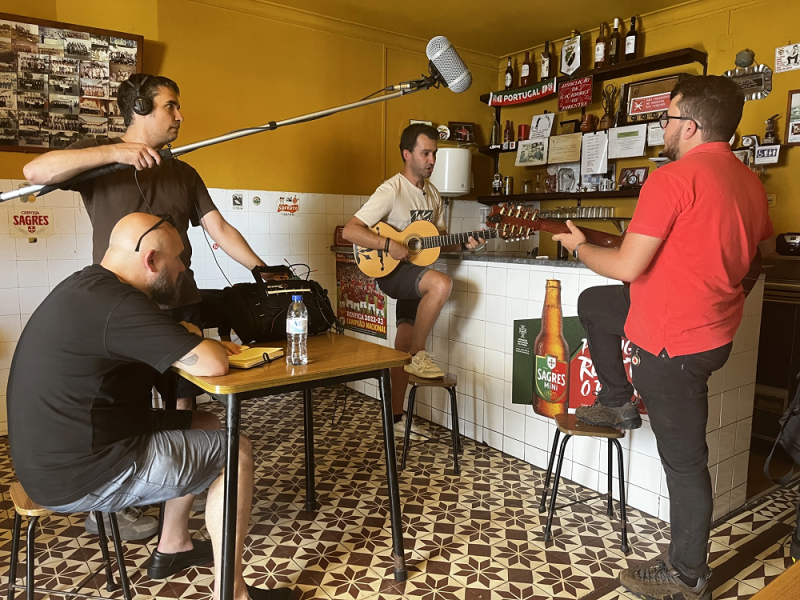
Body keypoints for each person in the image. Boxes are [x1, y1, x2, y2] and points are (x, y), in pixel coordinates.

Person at [552, 76, 773, 600]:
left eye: (668, 118)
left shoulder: (672, 179)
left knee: (685, 462)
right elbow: (758, 260)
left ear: (690, 125)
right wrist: (718, 292)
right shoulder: (748, 182)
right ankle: (617, 403)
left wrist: (579, 249)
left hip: (675, 346)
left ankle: (687, 572)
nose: (663, 127)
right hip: (708, 329)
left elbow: (628, 265)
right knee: (595, 306)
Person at [23, 73, 263, 538]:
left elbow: (220, 230)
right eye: (170, 106)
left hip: (179, 307)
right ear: (138, 108)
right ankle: (118, 493)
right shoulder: (99, 164)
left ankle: (175, 532)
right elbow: (35, 173)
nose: (180, 116)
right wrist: (116, 151)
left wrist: (267, 273)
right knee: (125, 403)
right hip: (122, 316)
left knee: (187, 407)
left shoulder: (183, 171)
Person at [7, 214, 292, 600]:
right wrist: (193, 342)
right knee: (236, 450)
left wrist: (185, 339)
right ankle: (232, 593)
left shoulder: (90, 286)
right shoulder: (118, 305)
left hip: (58, 452)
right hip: (81, 470)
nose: (184, 270)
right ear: (152, 260)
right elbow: (213, 363)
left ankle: (173, 544)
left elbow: (169, 342)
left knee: (206, 421)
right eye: (179, 260)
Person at [343, 124, 484, 438]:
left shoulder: (433, 193)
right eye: (426, 152)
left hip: (414, 271)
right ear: (408, 154)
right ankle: (420, 356)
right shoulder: (391, 190)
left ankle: (393, 418)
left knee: (401, 345)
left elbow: (434, 241)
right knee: (441, 284)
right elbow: (351, 230)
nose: (432, 159)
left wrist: (463, 244)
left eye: (434, 152)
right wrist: (387, 244)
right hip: (391, 271)